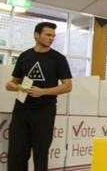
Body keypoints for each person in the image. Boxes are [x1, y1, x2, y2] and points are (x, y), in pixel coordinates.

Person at [5, 22, 73, 171]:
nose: (51, 38)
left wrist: (42, 92)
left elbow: (67, 86)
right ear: (36, 35)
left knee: (40, 154)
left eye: (53, 35)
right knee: (17, 153)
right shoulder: (25, 56)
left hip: (44, 111)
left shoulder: (58, 58)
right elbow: (13, 82)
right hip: (21, 109)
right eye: (48, 35)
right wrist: (11, 86)